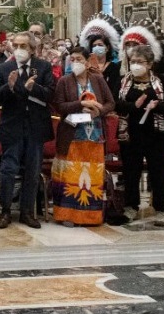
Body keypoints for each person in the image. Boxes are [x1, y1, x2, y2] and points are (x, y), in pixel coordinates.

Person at [0, 31, 55, 228]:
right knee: (8, 169)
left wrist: (32, 87)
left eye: (23, 46)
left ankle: (27, 211)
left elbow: (51, 94)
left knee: (33, 171)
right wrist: (8, 87)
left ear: (33, 49)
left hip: (36, 126)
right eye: (15, 45)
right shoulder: (4, 68)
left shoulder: (43, 67)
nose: (19, 50)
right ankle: (6, 210)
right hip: (12, 126)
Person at [50, 46, 116, 227]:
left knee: (92, 176)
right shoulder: (64, 81)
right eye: (72, 59)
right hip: (72, 134)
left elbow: (110, 103)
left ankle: (90, 216)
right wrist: (81, 103)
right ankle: (68, 215)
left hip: (94, 133)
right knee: (71, 175)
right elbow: (60, 106)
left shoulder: (98, 80)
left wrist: (99, 110)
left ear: (87, 62)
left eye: (79, 59)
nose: (75, 62)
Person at [115, 44, 164, 225]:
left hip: (155, 133)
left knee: (158, 172)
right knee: (131, 172)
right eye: (132, 61)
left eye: (139, 62)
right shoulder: (124, 81)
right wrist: (134, 106)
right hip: (130, 133)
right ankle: (131, 207)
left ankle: (160, 209)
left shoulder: (161, 81)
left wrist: (156, 105)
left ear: (149, 64)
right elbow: (117, 105)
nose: (135, 65)